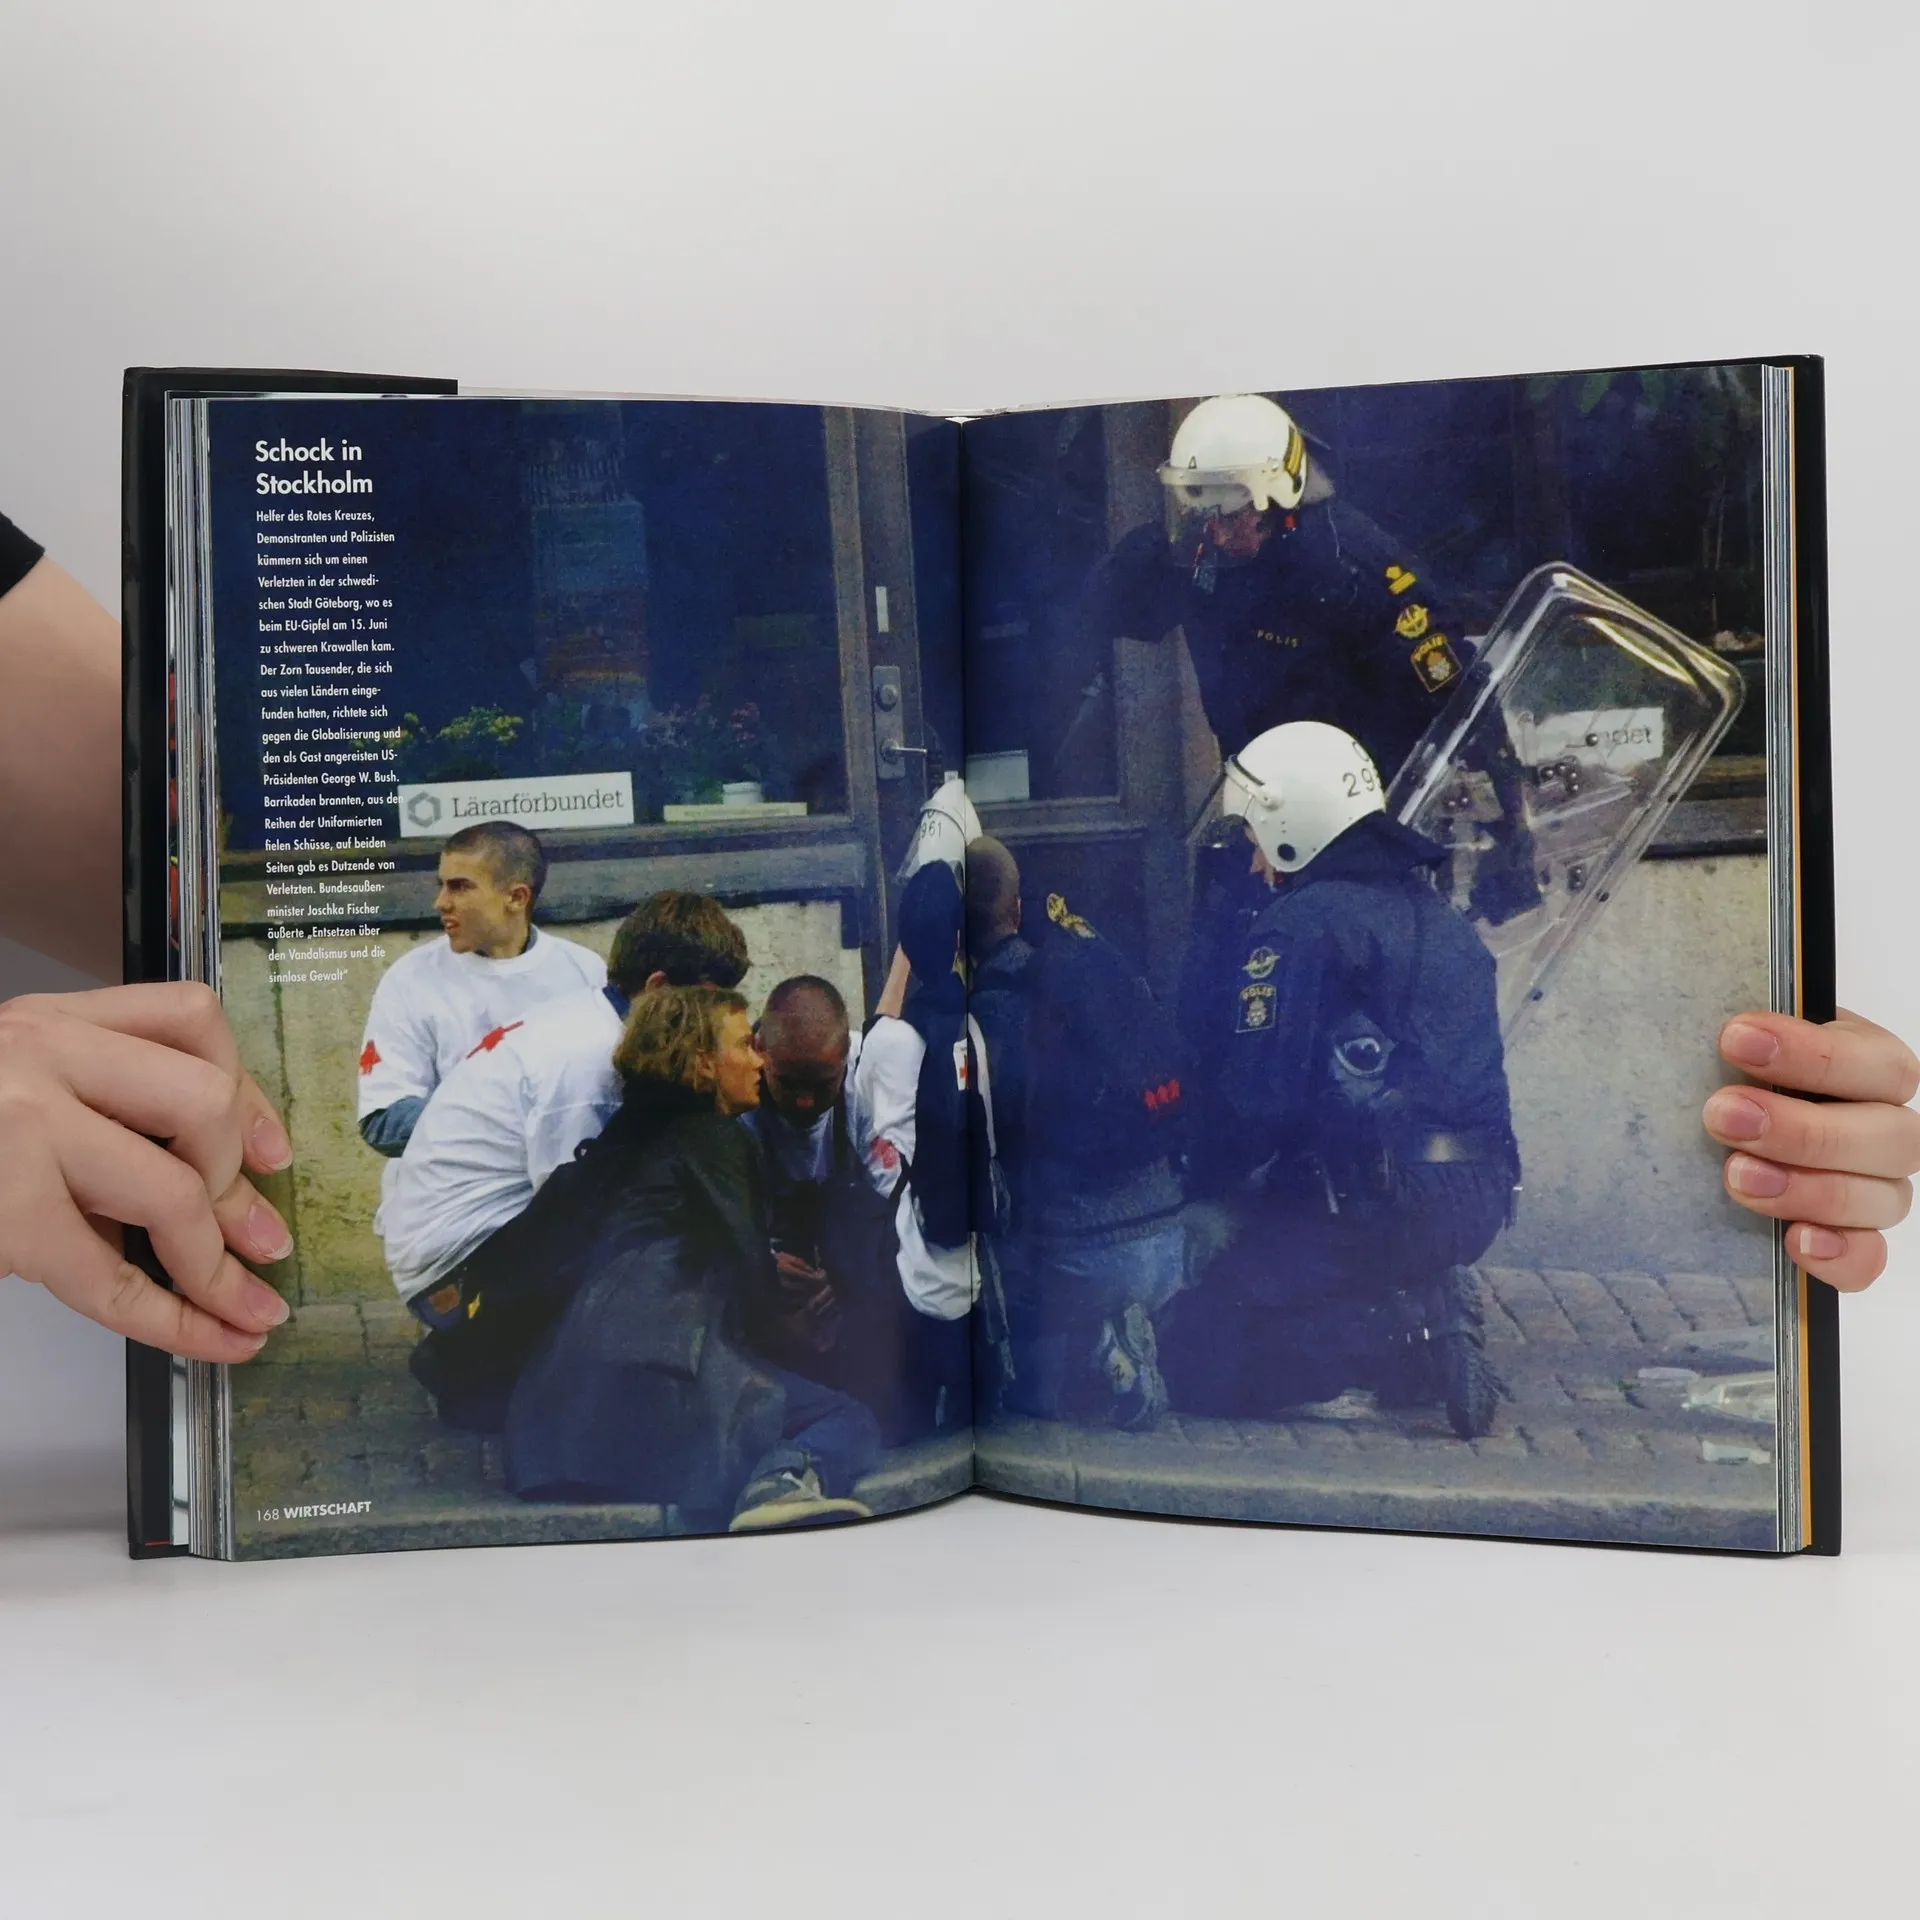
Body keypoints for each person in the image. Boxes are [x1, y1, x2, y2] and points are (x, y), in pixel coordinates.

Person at [0, 519, 1910, 1368]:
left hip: (1234, 1225)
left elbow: (185, 838)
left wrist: (1740, 1114)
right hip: (1344, 1200)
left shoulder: (1158, 952)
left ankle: (1371, 1331)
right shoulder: (1395, 918)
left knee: (1214, 1331)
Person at [1161, 721, 1520, 1425]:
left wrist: (1195, 1179)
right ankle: (1418, 1296)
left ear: (1290, 827)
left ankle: (1402, 1336)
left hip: (1369, 1202)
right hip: (1480, 1193)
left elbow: (1257, 1104)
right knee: (1286, 1273)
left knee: (1195, 1358)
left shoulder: (1300, 924)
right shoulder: (1439, 917)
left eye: (1255, 838)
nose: (1254, 863)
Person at [501, 985, 881, 1531]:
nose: (758, 1060)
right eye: (744, 1046)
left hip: (553, 1430)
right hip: (658, 1387)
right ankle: (780, 1484)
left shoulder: (624, 1138)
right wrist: (807, 1327)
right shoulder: (716, 1138)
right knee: (849, 1417)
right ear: (705, 1063)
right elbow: (755, 1298)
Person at [375, 891, 749, 1317]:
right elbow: (572, 1222)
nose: (718, 1022)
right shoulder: (591, 1062)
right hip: (453, 1274)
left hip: (482, 1244)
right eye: (707, 1005)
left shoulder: (592, 1019)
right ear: (658, 988)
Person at [1078, 393, 1484, 775]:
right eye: (1204, 515)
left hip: (1358, 791)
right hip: (1258, 786)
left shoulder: (1347, 565)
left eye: (1231, 517)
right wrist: (1151, 555)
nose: (1217, 535)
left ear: (1274, 501)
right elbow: (1110, 611)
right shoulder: (1201, 555)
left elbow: (1447, 700)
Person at [965, 835, 1187, 1429]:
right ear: (1018, 910)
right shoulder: (1079, 969)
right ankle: (1110, 1342)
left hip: (1085, 1259)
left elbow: (998, 1141)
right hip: (1168, 1232)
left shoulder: (992, 1006)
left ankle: (1097, 1340)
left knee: (982, 1220)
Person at [355, 820, 605, 1160]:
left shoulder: (585, 971)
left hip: (560, 1187)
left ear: (516, 897)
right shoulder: (411, 978)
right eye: (442, 886)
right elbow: (385, 1120)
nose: (441, 903)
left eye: (460, 887)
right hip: (448, 1189)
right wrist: (512, 1126)